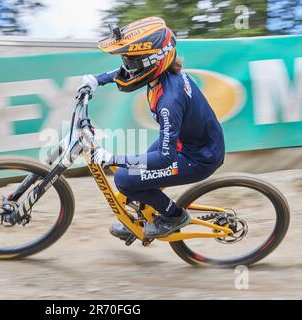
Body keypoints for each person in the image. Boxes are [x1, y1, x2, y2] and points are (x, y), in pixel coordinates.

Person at [78, 17, 225, 239]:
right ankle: (142, 217)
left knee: (125, 180)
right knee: (137, 172)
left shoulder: (169, 102)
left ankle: (174, 216)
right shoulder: (163, 71)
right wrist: (96, 80)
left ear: (155, 62)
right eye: (128, 61)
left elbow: (165, 158)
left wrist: (112, 157)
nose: (129, 69)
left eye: (133, 64)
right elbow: (127, 72)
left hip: (199, 158)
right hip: (189, 143)